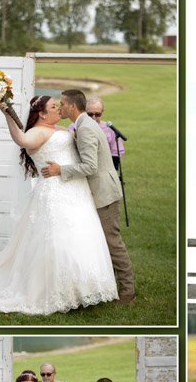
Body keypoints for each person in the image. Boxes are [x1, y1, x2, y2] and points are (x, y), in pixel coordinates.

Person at [0, 95, 116, 314]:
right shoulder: (36, 132)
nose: (58, 109)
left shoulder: (63, 129)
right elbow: (21, 140)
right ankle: (57, 291)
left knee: (81, 237)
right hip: (55, 193)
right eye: (54, 107)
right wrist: (7, 114)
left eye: (59, 105)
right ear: (42, 113)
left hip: (77, 192)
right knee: (59, 240)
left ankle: (83, 288)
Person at [39, 89, 136, 304]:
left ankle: (128, 291)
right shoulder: (82, 125)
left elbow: (91, 166)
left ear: (72, 106)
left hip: (104, 192)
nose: (60, 106)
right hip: (93, 191)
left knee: (112, 241)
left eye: (62, 104)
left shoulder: (86, 129)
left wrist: (60, 170)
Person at [86, 96, 124, 172]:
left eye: (97, 114)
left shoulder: (110, 129)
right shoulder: (74, 127)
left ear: (102, 111)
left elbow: (117, 152)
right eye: (90, 114)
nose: (93, 118)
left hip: (104, 171)